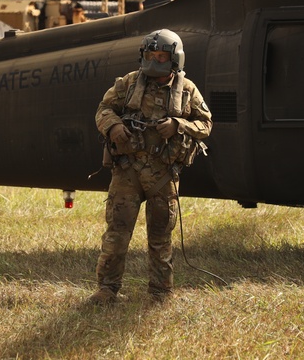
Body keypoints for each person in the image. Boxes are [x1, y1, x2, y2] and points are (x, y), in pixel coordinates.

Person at [89, 29, 212, 305]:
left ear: (174, 59)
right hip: (128, 171)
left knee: (160, 238)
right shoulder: (129, 83)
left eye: (161, 56)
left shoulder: (187, 90)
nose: (155, 61)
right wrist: (115, 126)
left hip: (163, 175)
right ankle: (107, 289)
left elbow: (206, 125)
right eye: (150, 54)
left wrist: (178, 125)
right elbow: (103, 110)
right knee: (116, 234)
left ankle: (160, 292)